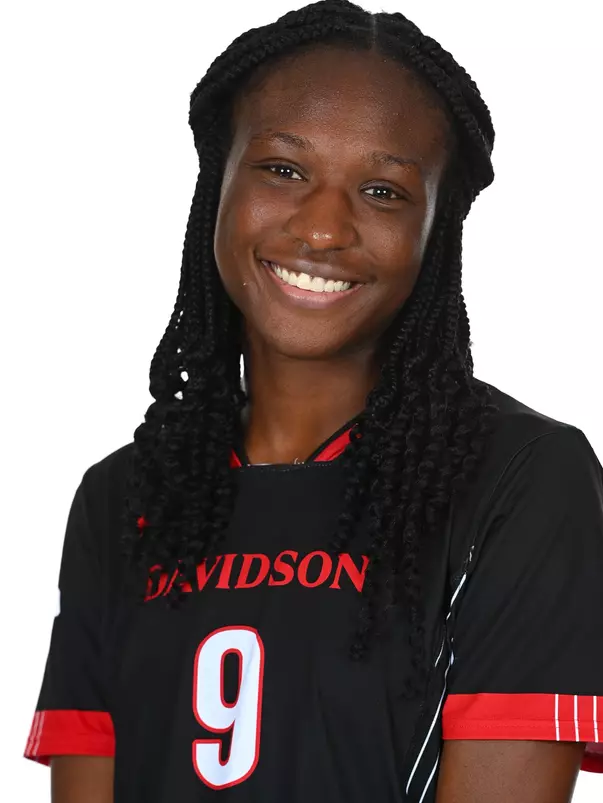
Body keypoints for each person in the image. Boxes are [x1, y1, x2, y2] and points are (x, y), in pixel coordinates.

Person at [23, 1, 603, 801]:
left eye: (382, 189)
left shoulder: (522, 478)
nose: (324, 227)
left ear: (437, 231)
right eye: (283, 170)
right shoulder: (122, 498)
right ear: (216, 183)